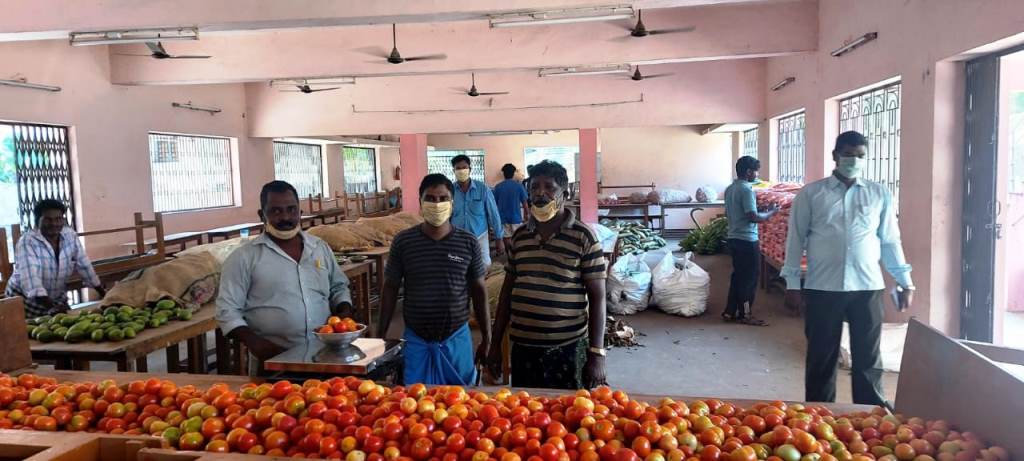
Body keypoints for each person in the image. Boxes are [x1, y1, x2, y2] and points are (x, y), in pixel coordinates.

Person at [782, 131, 913, 406]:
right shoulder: (812, 194)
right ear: (835, 156)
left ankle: (870, 412)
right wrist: (792, 284)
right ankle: (820, 412)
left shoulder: (879, 194)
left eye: (860, 155)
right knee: (821, 356)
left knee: (868, 358)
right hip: (822, 288)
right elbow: (795, 240)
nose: (854, 160)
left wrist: (905, 281)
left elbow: (890, 241)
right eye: (848, 155)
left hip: (867, 287)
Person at [487, 160, 608, 389]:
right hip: (523, 348)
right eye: (534, 187)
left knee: (568, 409)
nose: (540, 193)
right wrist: (495, 345)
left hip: (568, 348)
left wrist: (597, 352)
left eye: (549, 187)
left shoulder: (583, 237)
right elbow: (507, 293)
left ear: (565, 193)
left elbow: (598, 297)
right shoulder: (520, 237)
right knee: (527, 409)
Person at [216, 181, 352, 373]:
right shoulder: (244, 258)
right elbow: (227, 311)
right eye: (276, 211)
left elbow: (338, 286)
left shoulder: (319, 248)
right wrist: (256, 344)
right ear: (262, 215)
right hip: (273, 361)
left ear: (300, 212)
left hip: (326, 353)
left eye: (291, 209)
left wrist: (344, 311)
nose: (286, 217)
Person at [378, 174, 490, 385]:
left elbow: (479, 291)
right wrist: (380, 336)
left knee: (462, 401)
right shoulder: (403, 242)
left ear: (452, 203)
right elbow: (390, 287)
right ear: (420, 202)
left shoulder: (468, 242)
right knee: (413, 399)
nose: (437, 204)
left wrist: (487, 337)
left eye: (443, 198)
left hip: (456, 339)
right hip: (416, 341)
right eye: (430, 198)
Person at [5, 199, 106, 318]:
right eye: (48, 219)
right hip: (26, 301)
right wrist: (52, 307)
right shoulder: (28, 242)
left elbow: (84, 265)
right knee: (32, 328)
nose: (54, 223)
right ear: (37, 220)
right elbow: (32, 282)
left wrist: (104, 294)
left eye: (58, 219)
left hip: (55, 298)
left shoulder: (70, 236)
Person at [722, 156, 778, 326]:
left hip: (733, 238)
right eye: (755, 171)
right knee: (749, 279)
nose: (757, 175)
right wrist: (771, 212)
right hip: (747, 240)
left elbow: (730, 212)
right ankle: (745, 314)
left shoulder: (730, 189)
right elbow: (753, 217)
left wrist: (759, 209)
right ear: (748, 172)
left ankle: (730, 311)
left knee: (738, 276)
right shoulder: (746, 190)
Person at [449, 155, 504, 267]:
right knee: (459, 267)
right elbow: (447, 216)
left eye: (464, 167)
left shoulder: (482, 189)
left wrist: (499, 238)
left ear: (470, 169)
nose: (461, 171)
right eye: (458, 168)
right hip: (457, 238)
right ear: (453, 171)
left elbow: (493, 214)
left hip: (479, 237)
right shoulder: (450, 191)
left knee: (484, 267)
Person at [492, 163, 530, 251]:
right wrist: (527, 214)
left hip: (502, 218)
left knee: (506, 237)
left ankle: (509, 253)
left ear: (503, 173)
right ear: (513, 173)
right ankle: (516, 252)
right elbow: (524, 202)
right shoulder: (519, 186)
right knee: (517, 237)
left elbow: (494, 204)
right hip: (516, 218)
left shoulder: (498, 187)